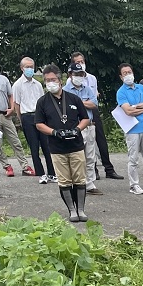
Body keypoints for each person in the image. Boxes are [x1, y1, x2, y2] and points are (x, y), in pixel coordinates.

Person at [35, 63, 91, 222]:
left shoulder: (74, 98)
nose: (50, 83)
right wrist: (54, 132)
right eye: (47, 80)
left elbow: (85, 118)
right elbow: (39, 124)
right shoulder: (42, 102)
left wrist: (78, 129)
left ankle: (81, 209)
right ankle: (71, 210)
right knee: (64, 180)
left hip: (76, 145)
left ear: (60, 80)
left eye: (53, 79)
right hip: (56, 147)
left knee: (79, 178)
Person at [69, 51, 123, 180]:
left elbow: (94, 99)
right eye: (77, 62)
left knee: (101, 140)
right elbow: (74, 102)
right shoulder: (70, 82)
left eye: (82, 61)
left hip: (92, 110)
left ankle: (109, 169)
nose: (81, 64)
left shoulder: (92, 78)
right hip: (79, 114)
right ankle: (93, 170)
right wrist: (85, 102)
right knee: (86, 143)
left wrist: (86, 102)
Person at [116, 62, 143, 195]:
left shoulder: (142, 88)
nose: (128, 75)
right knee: (133, 159)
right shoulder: (121, 92)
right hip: (132, 130)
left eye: (129, 72)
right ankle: (134, 185)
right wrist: (142, 107)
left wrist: (135, 106)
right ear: (121, 77)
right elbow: (128, 111)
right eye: (125, 73)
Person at [12, 57, 56, 184]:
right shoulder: (17, 85)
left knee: (47, 146)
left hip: (40, 117)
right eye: (27, 67)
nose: (30, 69)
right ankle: (41, 174)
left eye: (32, 66)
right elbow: (17, 105)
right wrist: (21, 120)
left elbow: (43, 102)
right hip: (27, 116)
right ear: (22, 68)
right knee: (34, 147)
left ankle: (52, 173)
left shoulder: (37, 84)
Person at [63, 62, 102, 195]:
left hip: (90, 126)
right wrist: (84, 104)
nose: (79, 77)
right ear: (70, 75)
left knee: (90, 157)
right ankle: (77, 182)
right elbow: (67, 108)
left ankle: (90, 183)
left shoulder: (87, 89)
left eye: (81, 74)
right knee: (76, 157)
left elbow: (94, 104)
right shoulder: (65, 90)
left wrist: (78, 103)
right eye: (76, 74)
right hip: (75, 127)